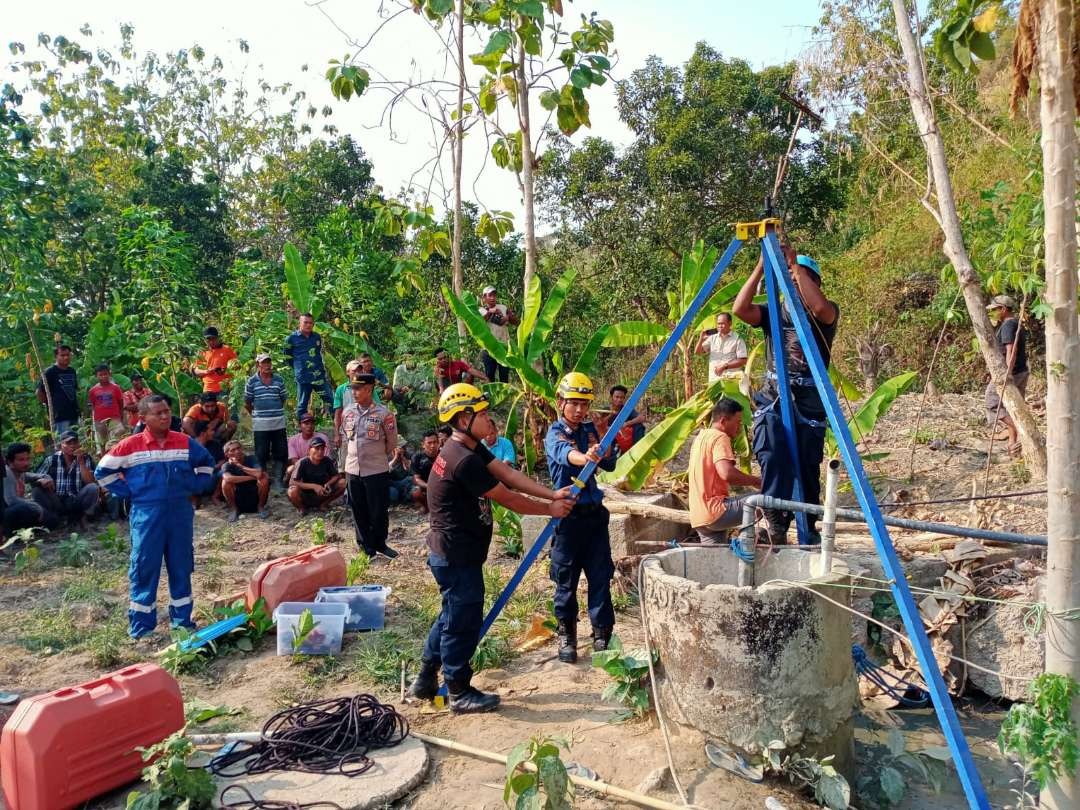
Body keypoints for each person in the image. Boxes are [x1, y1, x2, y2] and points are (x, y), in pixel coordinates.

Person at [406, 383, 574, 713]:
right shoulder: (461, 459)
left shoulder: (469, 447)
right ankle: (457, 691)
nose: (489, 419)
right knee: (461, 621)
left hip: (457, 552)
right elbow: (507, 497)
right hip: (456, 556)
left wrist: (551, 494)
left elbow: (507, 474)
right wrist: (549, 510)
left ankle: (425, 678)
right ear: (463, 418)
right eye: (482, 414)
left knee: (450, 615)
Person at [733, 247, 838, 546]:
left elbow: (819, 309)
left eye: (801, 281)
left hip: (808, 400)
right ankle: (776, 523)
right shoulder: (774, 312)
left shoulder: (826, 311)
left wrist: (795, 267)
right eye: (789, 281)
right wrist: (761, 269)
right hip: (774, 396)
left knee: (806, 466)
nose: (793, 286)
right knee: (771, 454)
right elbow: (741, 309)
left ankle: (808, 527)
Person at [95, 395, 214, 639]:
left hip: (180, 514)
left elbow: (207, 465)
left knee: (181, 565)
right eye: (157, 413)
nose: (164, 416)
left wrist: (194, 486)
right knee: (144, 567)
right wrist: (129, 492)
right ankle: (141, 627)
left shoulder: (184, 442)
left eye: (167, 411)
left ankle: (182, 623)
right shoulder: (130, 445)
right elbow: (103, 471)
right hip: (147, 515)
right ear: (143, 418)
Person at [544, 372, 620, 664]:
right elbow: (566, 454)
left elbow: (609, 464)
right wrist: (586, 457)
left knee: (600, 576)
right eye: (574, 403)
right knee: (566, 579)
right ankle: (567, 634)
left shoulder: (589, 428)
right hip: (568, 519)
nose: (579, 409)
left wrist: (607, 446)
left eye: (584, 404)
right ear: (561, 402)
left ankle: (602, 633)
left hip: (594, 517)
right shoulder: (555, 432)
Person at [340, 374, 398, 559]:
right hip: (353, 469)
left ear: (369, 389)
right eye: (353, 388)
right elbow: (345, 438)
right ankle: (366, 547)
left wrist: (375, 455)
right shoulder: (347, 412)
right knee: (358, 509)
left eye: (358, 388)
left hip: (376, 469)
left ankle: (380, 543)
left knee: (379, 509)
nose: (354, 392)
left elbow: (391, 443)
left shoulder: (384, 414)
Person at [688, 399, 762, 544]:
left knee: (716, 562)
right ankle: (756, 539)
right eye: (738, 421)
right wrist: (757, 481)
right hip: (715, 510)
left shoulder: (701, 437)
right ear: (723, 421)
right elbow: (726, 473)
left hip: (699, 516)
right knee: (768, 499)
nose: (739, 427)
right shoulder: (720, 437)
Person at [984, 294, 1029, 455]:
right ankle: (1013, 446)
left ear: (1003, 309)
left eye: (995, 310)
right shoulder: (1015, 323)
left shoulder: (1009, 325)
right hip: (1021, 370)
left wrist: (1006, 374)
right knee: (1012, 407)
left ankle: (1023, 431)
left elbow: (1011, 350)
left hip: (1012, 372)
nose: (993, 313)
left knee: (992, 403)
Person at [34, 430, 103, 530]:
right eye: (68, 443)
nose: (72, 446)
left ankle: (83, 518)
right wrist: (42, 480)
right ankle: (52, 520)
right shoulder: (51, 460)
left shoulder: (85, 458)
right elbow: (36, 477)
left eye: (75, 442)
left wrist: (81, 463)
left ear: (79, 444)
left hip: (76, 499)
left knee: (92, 488)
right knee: (37, 490)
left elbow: (91, 482)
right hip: (56, 500)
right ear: (61, 445)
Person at [244, 354, 289, 489]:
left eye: (269, 363)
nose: (267, 366)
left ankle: (278, 481)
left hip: (278, 422)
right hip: (260, 424)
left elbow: (283, 398)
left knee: (280, 451)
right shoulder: (252, 381)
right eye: (264, 363)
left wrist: (274, 410)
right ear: (258, 365)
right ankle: (263, 480)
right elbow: (247, 402)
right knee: (261, 452)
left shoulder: (279, 380)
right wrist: (257, 414)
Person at [284, 313, 334, 420]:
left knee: (330, 400)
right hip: (303, 378)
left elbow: (318, 353)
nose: (308, 325)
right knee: (302, 405)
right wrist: (298, 368)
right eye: (305, 322)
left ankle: (338, 426)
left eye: (310, 323)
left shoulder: (316, 337)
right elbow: (287, 357)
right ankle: (302, 432)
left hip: (318, 377)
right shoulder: (291, 339)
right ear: (300, 323)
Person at [3, 443, 59, 530]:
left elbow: (37, 476)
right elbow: (11, 500)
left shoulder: (20, 472)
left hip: (17, 511)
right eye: (21, 460)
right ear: (10, 462)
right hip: (6, 514)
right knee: (24, 508)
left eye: (28, 459)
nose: (26, 463)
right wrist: (37, 507)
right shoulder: (7, 474)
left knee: (53, 521)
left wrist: (46, 478)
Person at [288, 437, 345, 515]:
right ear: (309, 450)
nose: (320, 452)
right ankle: (301, 508)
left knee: (343, 483)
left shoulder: (327, 461)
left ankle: (324, 504)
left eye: (322, 449)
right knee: (292, 491)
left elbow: (336, 476)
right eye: (317, 449)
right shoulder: (302, 462)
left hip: (323, 493)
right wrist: (313, 486)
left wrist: (328, 483)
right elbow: (292, 482)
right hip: (305, 495)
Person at [477, 285, 519, 383]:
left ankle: (505, 397)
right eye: (490, 295)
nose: (492, 298)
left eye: (494, 295)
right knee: (489, 375)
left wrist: (508, 317)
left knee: (504, 376)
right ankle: (490, 397)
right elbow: (481, 322)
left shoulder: (503, 307)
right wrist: (491, 312)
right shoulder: (481, 310)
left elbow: (516, 322)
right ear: (484, 297)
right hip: (489, 348)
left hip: (504, 347)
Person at [220, 440, 269, 522]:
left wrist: (239, 465)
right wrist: (252, 477)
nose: (237, 451)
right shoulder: (226, 465)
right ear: (227, 454)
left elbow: (258, 473)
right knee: (225, 482)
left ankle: (260, 507)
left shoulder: (252, 458)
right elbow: (228, 478)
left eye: (238, 448)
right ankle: (234, 509)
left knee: (264, 480)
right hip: (238, 498)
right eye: (233, 450)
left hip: (254, 496)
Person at [36, 345, 79, 437]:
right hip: (59, 416)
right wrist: (51, 405)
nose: (66, 357)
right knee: (65, 442)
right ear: (56, 357)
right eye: (62, 355)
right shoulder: (49, 372)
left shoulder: (72, 371)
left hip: (73, 413)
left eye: (68, 355)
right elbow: (39, 392)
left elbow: (74, 389)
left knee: (76, 442)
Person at [695, 312, 748, 385]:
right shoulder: (712, 338)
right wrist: (701, 340)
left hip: (730, 382)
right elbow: (698, 352)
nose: (720, 326)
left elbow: (743, 361)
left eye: (722, 323)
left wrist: (725, 366)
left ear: (730, 323)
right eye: (718, 324)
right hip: (714, 381)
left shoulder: (737, 339)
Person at [182, 392, 236, 462]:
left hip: (214, 432)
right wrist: (196, 438)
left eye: (212, 406)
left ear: (216, 404)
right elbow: (185, 423)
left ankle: (223, 445)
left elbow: (227, 421)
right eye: (207, 406)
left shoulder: (222, 407)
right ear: (201, 405)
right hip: (200, 434)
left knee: (231, 424)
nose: (210, 409)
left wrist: (217, 420)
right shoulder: (195, 409)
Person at [87, 363, 126, 453]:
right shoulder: (93, 390)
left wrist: (121, 416)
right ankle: (104, 460)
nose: (103, 376)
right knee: (102, 442)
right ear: (96, 376)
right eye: (101, 375)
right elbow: (92, 405)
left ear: (109, 374)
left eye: (105, 374)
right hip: (99, 420)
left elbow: (120, 403)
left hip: (114, 418)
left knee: (117, 440)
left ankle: (116, 458)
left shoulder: (116, 388)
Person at [192, 326, 238, 395]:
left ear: (218, 338)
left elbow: (237, 366)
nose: (211, 341)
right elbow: (196, 370)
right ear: (205, 340)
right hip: (208, 388)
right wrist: (206, 371)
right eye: (208, 339)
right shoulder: (202, 352)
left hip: (224, 387)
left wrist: (225, 370)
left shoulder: (226, 349)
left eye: (213, 339)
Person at [606, 385, 646, 452]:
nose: (619, 400)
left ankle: (638, 451)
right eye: (617, 397)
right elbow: (598, 423)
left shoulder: (626, 409)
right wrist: (610, 415)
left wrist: (626, 423)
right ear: (611, 397)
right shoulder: (605, 410)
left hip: (624, 438)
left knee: (639, 426)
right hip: (610, 438)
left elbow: (642, 418)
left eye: (622, 397)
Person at [410, 430, 440, 511]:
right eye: (429, 443)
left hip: (442, 486)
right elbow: (416, 479)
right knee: (415, 491)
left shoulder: (444, 455)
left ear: (438, 443)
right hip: (426, 487)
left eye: (435, 442)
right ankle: (425, 506)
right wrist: (429, 486)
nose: (433, 445)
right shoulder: (417, 457)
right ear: (423, 444)